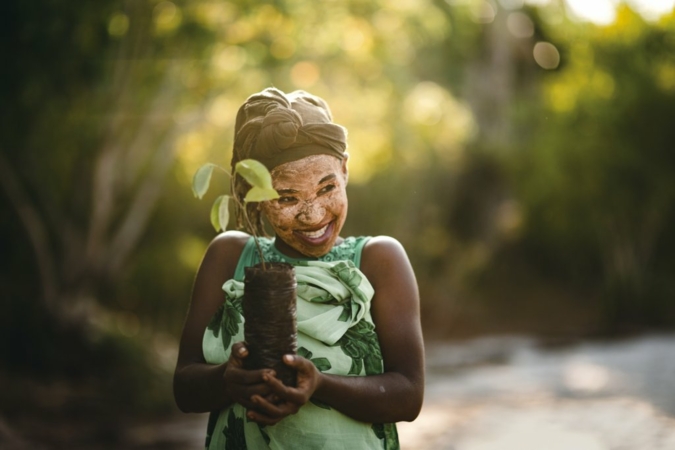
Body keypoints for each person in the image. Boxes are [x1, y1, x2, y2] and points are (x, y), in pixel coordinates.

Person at [173, 87, 424, 449]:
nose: (314, 215)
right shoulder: (229, 257)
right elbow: (184, 388)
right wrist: (227, 381)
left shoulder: (379, 261)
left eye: (326, 188)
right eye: (287, 197)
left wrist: (320, 385)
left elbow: (409, 395)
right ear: (252, 196)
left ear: (345, 170)